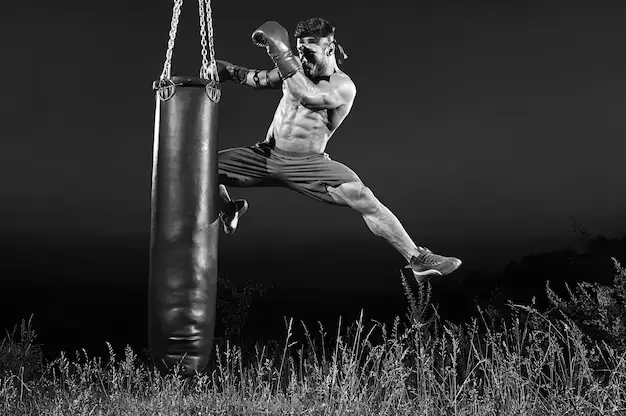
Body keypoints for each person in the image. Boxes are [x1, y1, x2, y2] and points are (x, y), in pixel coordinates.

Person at [214, 17, 462, 280]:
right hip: (265, 154)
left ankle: (417, 258)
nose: (303, 59)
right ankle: (229, 208)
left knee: (364, 197)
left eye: (310, 52)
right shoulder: (295, 70)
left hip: (308, 164)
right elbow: (259, 79)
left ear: (330, 49)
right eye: (299, 52)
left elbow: (308, 96)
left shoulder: (342, 85)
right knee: (201, 165)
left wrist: (281, 52)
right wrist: (229, 71)